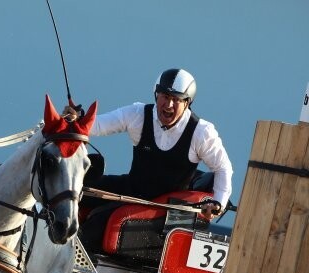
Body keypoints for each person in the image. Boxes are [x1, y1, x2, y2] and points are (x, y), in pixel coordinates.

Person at [64, 68, 233, 250]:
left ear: (187, 103)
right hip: (131, 188)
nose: (168, 104)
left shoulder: (201, 132)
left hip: (162, 207)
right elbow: (98, 125)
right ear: (156, 95)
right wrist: (78, 119)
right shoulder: (138, 114)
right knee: (73, 193)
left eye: (176, 99)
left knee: (97, 224)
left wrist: (219, 202)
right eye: (165, 96)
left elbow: (223, 168)